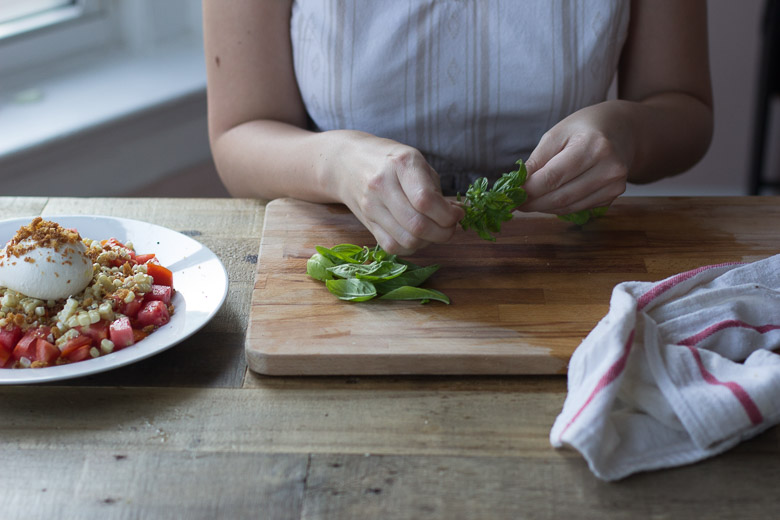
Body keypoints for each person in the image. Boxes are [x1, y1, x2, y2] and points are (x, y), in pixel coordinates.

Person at [203, 0, 713, 255]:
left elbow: (684, 109)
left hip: (566, 261)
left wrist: (624, 130)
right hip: (346, 258)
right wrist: (337, 162)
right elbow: (241, 133)